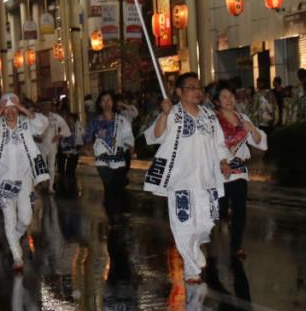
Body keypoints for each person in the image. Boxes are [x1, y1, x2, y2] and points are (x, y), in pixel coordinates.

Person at [144, 73, 231, 283]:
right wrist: (164, 114)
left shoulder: (209, 116)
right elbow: (156, 136)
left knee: (207, 221)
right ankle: (191, 269)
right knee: (183, 224)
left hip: (206, 179)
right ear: (179, 92)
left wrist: (223, 161)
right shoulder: (172, 113)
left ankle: (194, 246)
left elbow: (219, 142)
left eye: (199, 87)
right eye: (191, 87)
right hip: (180, 180)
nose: (197, 91)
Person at [0, 93, 50, 270]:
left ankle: (15, 236)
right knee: (9, 218)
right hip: (5, 181)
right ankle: (17, 257)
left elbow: (42, 125)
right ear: (2, 110)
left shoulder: (26, 123)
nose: (10, 112)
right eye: (6, 108)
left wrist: (23, 108)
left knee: (26, 218)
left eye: (13, 108)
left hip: (25, 180)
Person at [213, 82, 266, 257]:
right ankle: (221, 219)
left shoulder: (243, 118)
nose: (229, 100)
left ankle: (236, 246)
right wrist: (222, 162)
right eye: (224, 97)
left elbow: (257, 141)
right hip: (220, 172)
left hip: (239, 171)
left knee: (240, 209)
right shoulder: (214, 120)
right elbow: (212, 144)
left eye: (231, 96)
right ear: (217, 101)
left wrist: (253, 130)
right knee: (220, 209)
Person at [85, 90, 135, 221]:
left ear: (113, 102)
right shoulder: (95, 121)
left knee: (117, 187)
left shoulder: (122, 120)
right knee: (109, 186)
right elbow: (88, 137)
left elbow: (128, 136)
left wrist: (130, 147)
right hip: (102, 159)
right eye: (103, 100)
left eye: (109, 100)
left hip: (119, 158)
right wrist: (89, 146)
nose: (106, 103)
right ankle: (112, 215)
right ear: (100, 104)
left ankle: (114, 211)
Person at [35, 98, 71, 193]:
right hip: (41, 145)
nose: (46, 107)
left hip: (52, 145)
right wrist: (36, 137)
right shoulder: (37, 117)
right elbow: (31, 130)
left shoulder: (55, 117)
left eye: (48, 104)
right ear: (40, 106)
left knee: (51, 166)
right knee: (42, 165)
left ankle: (50, 187)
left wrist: (59, 135)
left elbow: (65, 127)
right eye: (44, 105)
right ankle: (43, 183)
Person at [57, 110, 84, 193]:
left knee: (71, 170)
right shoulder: (63, 128)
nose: (69, 120)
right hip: (63, 150)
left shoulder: (78, 129)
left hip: (74, 151)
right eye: (68, 119)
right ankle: (62, 186)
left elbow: (79, 141)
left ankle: (71, 188)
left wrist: (74, 150)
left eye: (71, 119)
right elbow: (61, 141)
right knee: (61, 169)